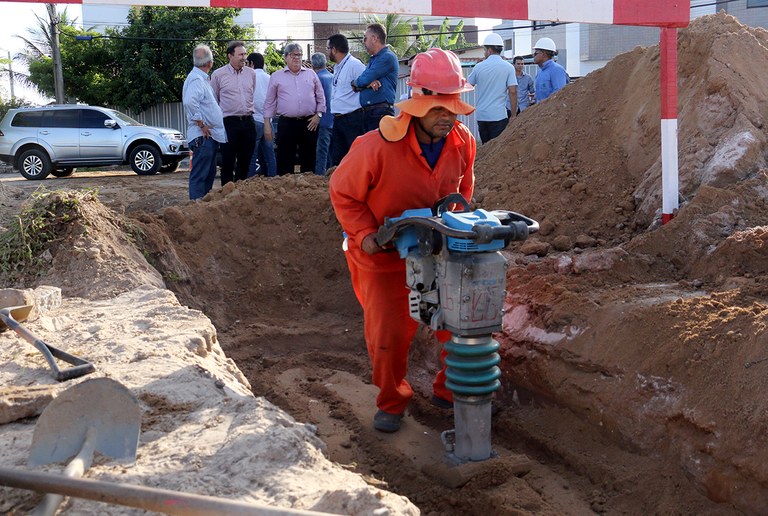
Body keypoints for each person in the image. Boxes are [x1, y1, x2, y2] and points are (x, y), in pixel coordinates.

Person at [329, 48, 476, 434]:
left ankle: (449, 389)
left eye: (453, 107)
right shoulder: (375, 147)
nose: (449, 117)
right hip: (382, 254)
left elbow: (464, 191)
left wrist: (457, 228)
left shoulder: (462, 142)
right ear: (415, 104)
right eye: (438, 108)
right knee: (389, 335)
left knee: (456, 321)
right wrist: (364, 237)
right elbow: (343, 194)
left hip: (437, 246)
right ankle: (392, 401)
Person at [264, 43, 326, 175]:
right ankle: (285, 193)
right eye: (293, 55)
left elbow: (321, 97)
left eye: (299, 54)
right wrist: (267, 124)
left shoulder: (311, 74)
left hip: (309, 123)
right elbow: (269, 102)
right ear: (285, 57)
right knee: (284, 160)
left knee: (309, 160)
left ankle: (307, 191)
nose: (297, 58)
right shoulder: (276, 76)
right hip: (287, 123)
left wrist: (318, 115)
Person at [182, 44, 227, 200]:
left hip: (208, 135)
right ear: (210, 63)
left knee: (208, 172)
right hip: (203, 135)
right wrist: (201, 124)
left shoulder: (199, 78)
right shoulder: (196, 79)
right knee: (201, 173)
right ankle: (196, 206)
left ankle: (202, 207)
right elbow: (189, 102)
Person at [210, 41, 257, 185]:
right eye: (240, 54)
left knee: (245, 161)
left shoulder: (251, 73)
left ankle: (240, 194)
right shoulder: (218, 75)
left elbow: (252, 92)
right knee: (228, 161)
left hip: (248, 122)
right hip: (229, 123)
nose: (244, 57)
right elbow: (214, 99)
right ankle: (227, 194)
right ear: (230, 56)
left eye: (245, 54)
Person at [467, 32, 517, 144]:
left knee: (486, 148)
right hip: (499, 116)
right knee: (496, 150)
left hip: (482, 115)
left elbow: (469, 84)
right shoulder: (509, 67)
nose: (484, 53)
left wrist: (477, 67)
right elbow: (513, 92)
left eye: (484, 50)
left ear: (489, 50)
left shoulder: (478, 67)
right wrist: (513, 115)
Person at [326, 33, 366, 167]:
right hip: (338, 119)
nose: (327, 52)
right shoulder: (337, 67)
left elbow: (367, 85)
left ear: (334, 49)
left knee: (354, 157)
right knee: (337, 158)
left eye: (327, 48)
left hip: (353, 119)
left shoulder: (355, 65)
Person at [352, 23, 399, 134]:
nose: (364, 42)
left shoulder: (387, 57)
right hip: (370, 113)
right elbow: (363, 81)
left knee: (380, 149)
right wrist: (366, 83)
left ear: (374, 38)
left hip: (380, 113)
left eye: (365, 38)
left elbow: (363, 79)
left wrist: (358, 83)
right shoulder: (374, 59)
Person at [246, 52, 277, 178]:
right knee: (270, 156)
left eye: (247, 63)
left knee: (252, 157)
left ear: (252, 63)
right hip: (268, 122)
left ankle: (250, 185)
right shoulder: (270, 78)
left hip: (254, 121)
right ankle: (273, 181)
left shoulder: (249, 77)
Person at [311, 52, 334, 176]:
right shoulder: (332, 76)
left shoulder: (317, 78)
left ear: (313, 64)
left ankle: (320, 181)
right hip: (334, 120)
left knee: (321, 154)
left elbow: (314, 100)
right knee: (331, 154)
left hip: (322, 121)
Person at [533, 37, 568, 103]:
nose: (534, 56)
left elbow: (559, 95)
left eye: (536, 53)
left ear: (544, 54)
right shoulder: (540, 71)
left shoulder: (557, 70)